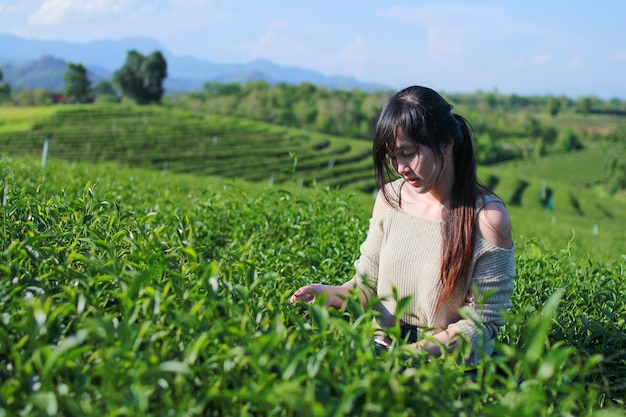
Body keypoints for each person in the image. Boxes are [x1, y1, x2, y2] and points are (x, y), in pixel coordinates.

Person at [290, 85, 515, 364]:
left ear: (446, 143)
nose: (400, 167)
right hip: (380, 352)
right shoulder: (390, 199)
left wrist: (417, 352)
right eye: (393, 157)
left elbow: (483, 322)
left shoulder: (486, 219)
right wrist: (327, 293)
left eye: (407, 153)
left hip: (449, 371)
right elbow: (365, 288)